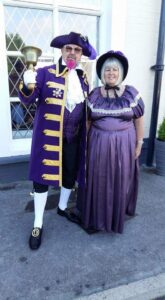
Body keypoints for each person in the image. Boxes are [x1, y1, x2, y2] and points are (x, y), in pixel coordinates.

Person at [18, 32, 96, 250]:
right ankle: (38, 223)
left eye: (77, 50)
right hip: (48, 138)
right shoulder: (44, 73)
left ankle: (62, 207)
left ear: (81, 54)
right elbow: (27, 98)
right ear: (62, 50)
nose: (72, 53)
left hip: (74, 137)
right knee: (42, 180)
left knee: (70, 173)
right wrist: (26, 83)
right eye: (68, 48)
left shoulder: (83, 78)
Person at [79, 50, 144, 234]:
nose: (111, 73)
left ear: (121, 72)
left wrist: (139, 143)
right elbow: (88, 121)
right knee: (98, 178)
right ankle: (97, 216)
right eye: (108, 70)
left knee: (120, 178)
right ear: (102, 74)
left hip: (124, 145)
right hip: (97, 145)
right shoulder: (94, 95)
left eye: (115, 70)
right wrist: (85, 145)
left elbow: (139, 119)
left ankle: (116, 215)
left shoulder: (131, 93)